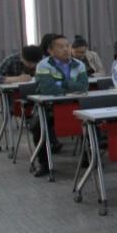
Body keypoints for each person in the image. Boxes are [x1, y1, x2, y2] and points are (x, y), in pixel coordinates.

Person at [33, 35, 89, 177]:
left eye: (67, 46)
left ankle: (88, 157)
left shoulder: (79, 64)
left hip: (75, 105)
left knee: (92, 121)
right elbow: (48, 89)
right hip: (49, 107)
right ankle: (44, 164)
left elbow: (83, 87)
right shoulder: (43, 65)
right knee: (37, 126)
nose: (65, 49)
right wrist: (71, 86)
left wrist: (60, 84)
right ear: (51, 51)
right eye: (60, 46)